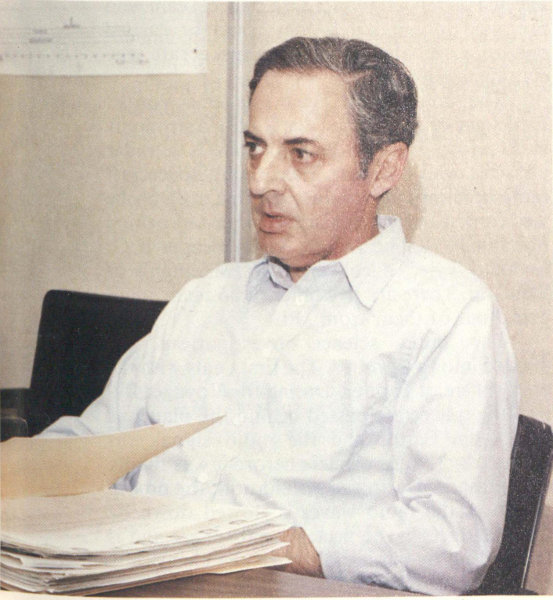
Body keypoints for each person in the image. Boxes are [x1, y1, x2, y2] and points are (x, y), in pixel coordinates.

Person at [40, 37, 519, 595]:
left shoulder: (445, 313)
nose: (260, 181)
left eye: (300, 154)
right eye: (255, 148)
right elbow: (89, 449)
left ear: (384, 168)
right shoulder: (206, 298)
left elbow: (451, 538)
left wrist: (265, 547)